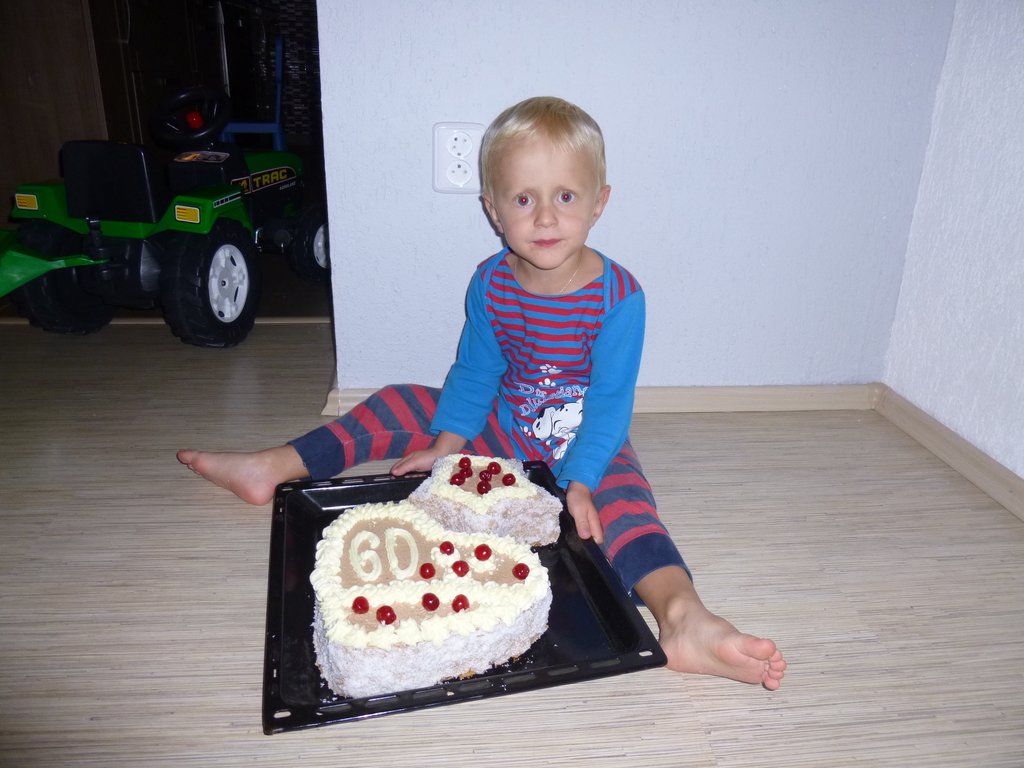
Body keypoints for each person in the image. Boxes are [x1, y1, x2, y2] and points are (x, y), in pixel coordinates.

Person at [178, 97, 786, 690]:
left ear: (599, 203)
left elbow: (609, 402)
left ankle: (682, 617)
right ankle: (275, 465)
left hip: (585, 439)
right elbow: (475, 371)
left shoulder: (619, 297)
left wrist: (580, 481)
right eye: (524, 199)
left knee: (624, 501)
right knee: (400, 400)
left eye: (565, 197)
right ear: (494, 210)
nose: (544, 218)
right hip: (504, 426)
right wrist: (448, 443)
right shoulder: (490, 283)